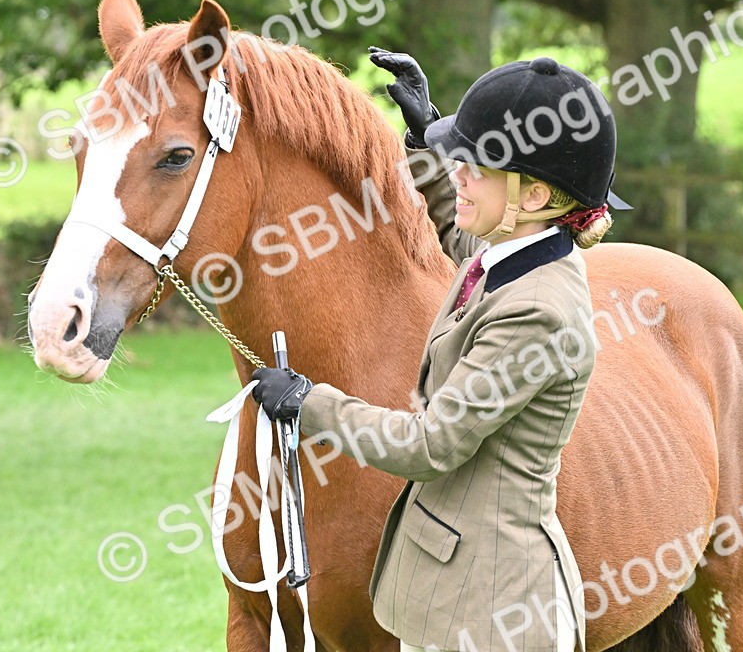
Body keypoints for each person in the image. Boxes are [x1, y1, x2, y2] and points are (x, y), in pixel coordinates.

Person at [251, 48, 631, 652]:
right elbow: (460, 242)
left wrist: (309, 402)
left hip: (493, 611)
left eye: (475, 164)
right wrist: (430, 140)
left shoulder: (539, 312)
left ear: (533, 197)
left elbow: (432, 444)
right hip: (455, 594)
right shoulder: (518, 255)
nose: (460, 173)